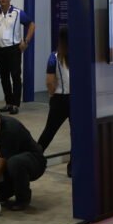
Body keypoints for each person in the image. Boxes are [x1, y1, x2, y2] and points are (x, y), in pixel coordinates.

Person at [0, 0, 35, 115]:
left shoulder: (17, 12)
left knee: (15, 76)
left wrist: (26, 41)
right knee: (4, 77)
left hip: (14, 49)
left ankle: (15, 104)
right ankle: (8, 103)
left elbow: (31, 25)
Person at [38, 25, 72, 177]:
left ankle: (33, 158)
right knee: (76, 135)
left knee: (49, 131)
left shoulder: (54, 57)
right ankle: (72, 168)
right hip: (76, 100)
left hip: (59, 99)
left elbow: (49, 81)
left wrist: (52, 94)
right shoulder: (80, 54)